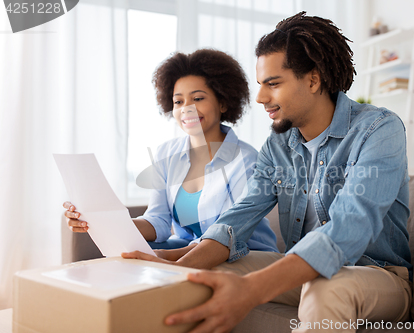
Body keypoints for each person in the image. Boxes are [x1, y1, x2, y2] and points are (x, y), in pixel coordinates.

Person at [123, 12, 412, 333]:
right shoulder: (279, 146)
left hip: (377, 274)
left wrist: (252, 289)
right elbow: (236, 220)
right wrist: (173, 267)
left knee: (328, 286)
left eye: (273, 84)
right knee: (208, 274)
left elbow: (351, 224)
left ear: (313, 80)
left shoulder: (378, 129)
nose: (260, 98)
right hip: (301, 267)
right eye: (261, 85)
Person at [63, 49, 279, 258]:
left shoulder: (246, 160)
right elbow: (158, 220)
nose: (187, 108)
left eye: (198, 98)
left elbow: (226, 236)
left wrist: (165, 257)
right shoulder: (166, 153)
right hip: (187, 248)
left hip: (241, 255)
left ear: (223, 102)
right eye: (178, 101)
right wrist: (101, 221)